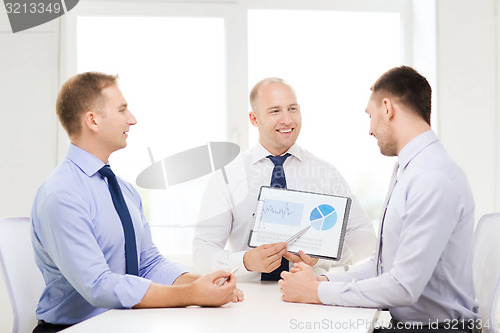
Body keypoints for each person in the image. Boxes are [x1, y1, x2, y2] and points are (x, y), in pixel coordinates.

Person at [31, 72, 243, 333]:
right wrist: (192, 295)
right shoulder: (62, 195)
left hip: (124, 325)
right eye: (122, 110)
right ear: (93, 120)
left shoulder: (124, 190)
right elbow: (99, 286)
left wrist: (204, 283)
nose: (132, 119)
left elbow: (148, 264)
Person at [278, 66, 479, 330]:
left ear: (387, 108)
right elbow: (381, 266)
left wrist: (316, 294)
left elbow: (402, 287)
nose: (370, 129)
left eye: (370, 116)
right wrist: (321, 283)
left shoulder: (432, 177)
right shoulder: (409, 170)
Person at [193, 77, 376, 281]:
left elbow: (366, 237)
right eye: (275, 111)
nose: (287, 120)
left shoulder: (325, 173)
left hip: (312, 299)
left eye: (292, 109)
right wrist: (244, 261)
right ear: (254, 119)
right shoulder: (228, 177)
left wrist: (324, 257)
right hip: (246, 302)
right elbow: (202, 252)